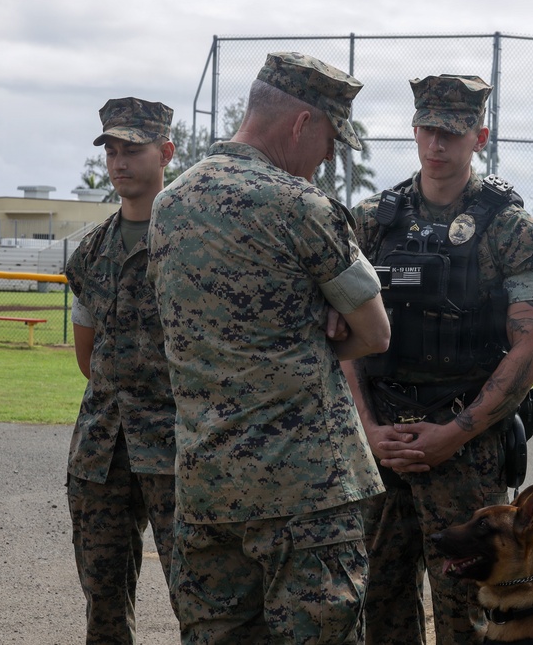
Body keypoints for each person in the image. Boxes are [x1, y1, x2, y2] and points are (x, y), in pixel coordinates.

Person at [146, 52, 390, 644]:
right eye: (332, 138)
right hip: (303, 493)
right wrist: (318, 324)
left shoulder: (169, 205)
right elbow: (376, 333)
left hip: (206, 487)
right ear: (302, 124)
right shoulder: (300, 206)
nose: (330, 155)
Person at [342, 74, 533, 645]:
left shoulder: (509, 228)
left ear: (478, 136)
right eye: (429, 130)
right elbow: (339, 338)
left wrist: (454, 434)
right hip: (381, 442)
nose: (438, 145)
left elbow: (532, 348)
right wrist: (369, 428)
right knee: (379, 597)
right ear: (414, 131)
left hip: (467, 446)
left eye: (453, 133)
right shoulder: (371, 222)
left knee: (473, 608)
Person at [65, 97, 178, 644]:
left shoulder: (195, 243)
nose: (119, 160)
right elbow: (88, 357)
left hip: (180, 447)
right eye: (111, 149)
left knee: (201, 596)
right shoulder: (90, 252)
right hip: (101, 449)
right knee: (103, 598)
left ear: (166, 152)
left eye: (132, 148)